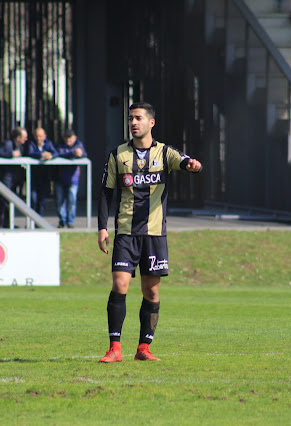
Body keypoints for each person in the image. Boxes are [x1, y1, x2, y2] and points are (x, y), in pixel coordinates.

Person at [97, 102, 203, 363]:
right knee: (120, 284)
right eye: (131, 118)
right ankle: (114, 347)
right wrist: (101, 227)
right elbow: (105, 193)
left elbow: (184, 160)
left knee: (151, 292)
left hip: (155, 235)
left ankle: (143, 348)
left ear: (151, 123)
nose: (133, 122)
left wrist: (193, 165)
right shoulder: (118, 155)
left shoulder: (164, 153)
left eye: (139, 118)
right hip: (126, 232)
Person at [0, 127, 28, 228]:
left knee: (9, 201)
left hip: (14, 178)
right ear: (18, 137)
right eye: (24, 137)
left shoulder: (21, 146)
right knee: (2, 201)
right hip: (5, 177)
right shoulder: (8, 144)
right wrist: (11, 154)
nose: (25, 139)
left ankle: (7, 223)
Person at [55, 129, 87, 228]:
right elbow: (58, 154)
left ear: (74, 138)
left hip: (73, 179)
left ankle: (70, 221)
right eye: (66, 137)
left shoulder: (79, 145)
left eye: (70, 137)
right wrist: (73, 154)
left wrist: (80, 154)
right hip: (59, 178)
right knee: (60, 201)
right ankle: (62, 221)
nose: (68, 139)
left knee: (72, 200)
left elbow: (85, 155)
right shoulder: (60, 145)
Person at [26, 127, 58, 215]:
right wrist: (41, 154)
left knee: (42, 200)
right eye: (36, 136)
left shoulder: (48, 143)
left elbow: (56, 153)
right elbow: (29, 153)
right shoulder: (31, 143)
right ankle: (31, 221)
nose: (38, 138)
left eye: (40, 136)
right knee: (33, 199)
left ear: (45, 136)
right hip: (33, 176)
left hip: (44, 176)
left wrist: (50, 156)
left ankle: (39, 220)